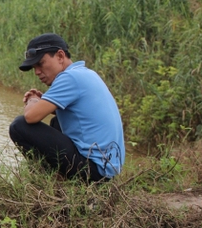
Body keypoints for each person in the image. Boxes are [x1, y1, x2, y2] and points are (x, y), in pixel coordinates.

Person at [8, 33, 125, 182]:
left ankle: (47, 180)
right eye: (34, 67)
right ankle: (59, 178)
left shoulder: (69, 78)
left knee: (19, 126)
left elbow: (30, 117)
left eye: (41, 64)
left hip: (93, 172)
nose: (37, 72)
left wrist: (32, 99)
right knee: (57, 122)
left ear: (60, 56)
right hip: (106, 170)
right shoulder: (85, 73)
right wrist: (43, 101)